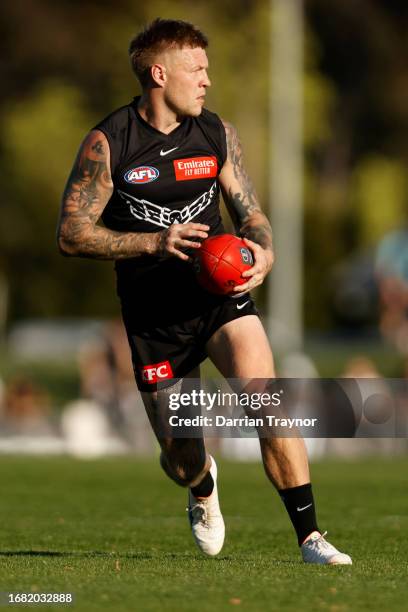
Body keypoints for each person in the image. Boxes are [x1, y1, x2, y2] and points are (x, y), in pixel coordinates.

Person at [57, 18, 351, 564]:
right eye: (196, 69)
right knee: (181, 456)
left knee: (268, 401)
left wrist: (261, 250)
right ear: (158, 73)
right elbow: (71, 233)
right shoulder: (109, 141)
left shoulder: (216, 133)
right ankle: (202, 488)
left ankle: (311, 537)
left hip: (219, 298)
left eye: (208, 68)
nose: (207, 80)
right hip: (153, 319)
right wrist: (153, 243)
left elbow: (251, 212)